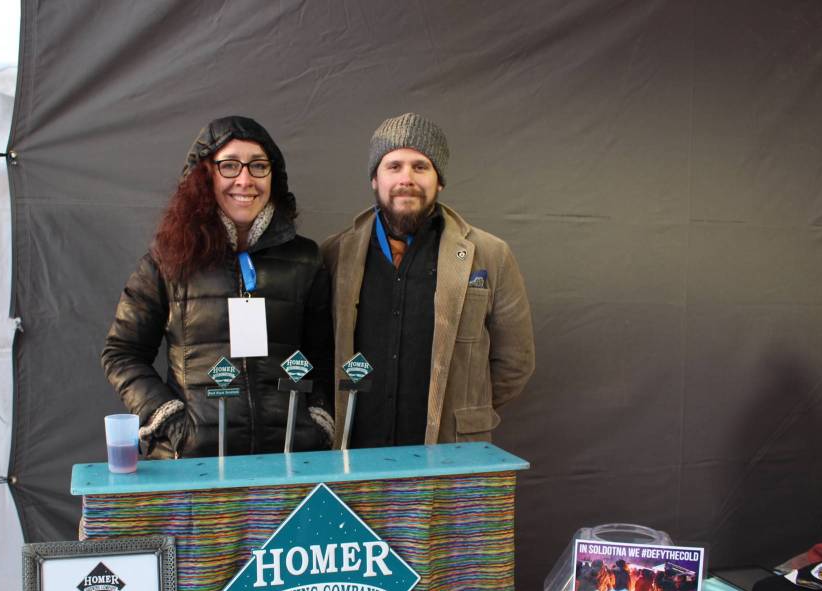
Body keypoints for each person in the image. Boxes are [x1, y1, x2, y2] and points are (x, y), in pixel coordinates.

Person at [102, 116, 333, 458]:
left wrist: (317, 419)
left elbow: (324, 354)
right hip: (194, 463)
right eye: (229, 166)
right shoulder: (168, 260)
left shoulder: (305, 259)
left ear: (274, 175)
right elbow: (121, 352)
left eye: (258, 166)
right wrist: (171, 421)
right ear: (204, 175)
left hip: (289, 461)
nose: (245, 180)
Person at [321, 113, 534, 447]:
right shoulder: (333, 254)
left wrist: (464, 403)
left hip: (451, 449)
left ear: (440, 180)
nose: (407, 178)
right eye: (394, 166)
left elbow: (515, 362)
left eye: (420, 166)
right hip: (354, 452)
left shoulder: (490, 254)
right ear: (375, 179)